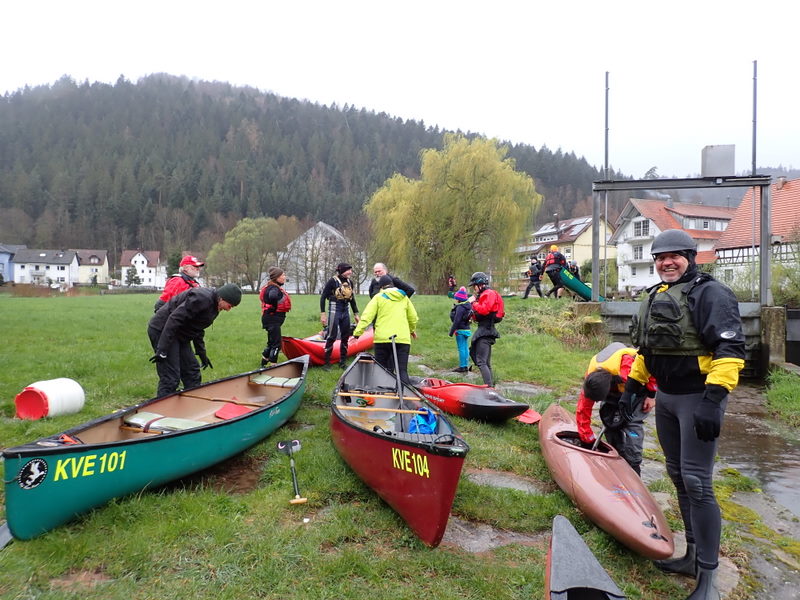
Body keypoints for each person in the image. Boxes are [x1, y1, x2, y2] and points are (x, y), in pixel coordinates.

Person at [623, 229, 745, 600]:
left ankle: (708, 577)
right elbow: (648, 349)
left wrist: (714, 399)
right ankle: (691, 556)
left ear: (691, 257)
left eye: (675, 255)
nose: (666, 262)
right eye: (660, 257)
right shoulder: (656, 295)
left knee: (697, 482)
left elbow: (730, 348)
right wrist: (635, 386)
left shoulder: (712, 293)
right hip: (669, 399)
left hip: (697, 398)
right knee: (677, 476)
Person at [575, 342, 657, 474]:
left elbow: (650, 367)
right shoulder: (592, 379)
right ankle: (617, 454)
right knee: (610, 421)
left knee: (632, 424)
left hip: (637, 387)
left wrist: (652, 395)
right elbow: (582, 410)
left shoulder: (627, 367)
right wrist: (587, 439)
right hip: (615, 386)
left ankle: (634, 464)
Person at [148, 283, 242, 398]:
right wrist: (162, 349)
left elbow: (197, 329)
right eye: (230, 306)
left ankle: (191, 403)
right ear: (223, 298)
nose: (228, 310)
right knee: (171, 377)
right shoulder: (201, 298)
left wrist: (202, 354)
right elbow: (174, 318)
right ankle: (162, 410)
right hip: (162, 329)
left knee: (192, 371)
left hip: (180, 334)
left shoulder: (214, 306)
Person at [353, 274, 418, 384]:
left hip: (382, 339)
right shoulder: (404, 298)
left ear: (381, 287)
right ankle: (405, 395)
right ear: (393, 285)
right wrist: (411, 330)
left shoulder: (378, 298)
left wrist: (357, 334)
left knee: (381, 370)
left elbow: (366, 317)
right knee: (402, 370)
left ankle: (382, 393)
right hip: (402, 339)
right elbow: (413, 318)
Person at [320, 263, 360, 369]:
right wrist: (323, 314)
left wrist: (356, 314)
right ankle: (326, 363)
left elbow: (352, 299)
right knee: (331, 336)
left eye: (351, 270)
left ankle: (342, 362)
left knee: (345, 337)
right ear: (342, 271)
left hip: (345, 310)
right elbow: (323, 297)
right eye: (348, 270)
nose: (350, 272)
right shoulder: (332, 281)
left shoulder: (349, 282)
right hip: (334, 309)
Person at [467, 271, 505, 387]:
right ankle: (490, 387)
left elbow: (484, 310)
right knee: (485, 362)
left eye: (474, 286)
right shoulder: (484, 295)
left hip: (485, 331)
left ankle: (489, 388)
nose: (474, 289)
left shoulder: (488, 293)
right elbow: (481, 313)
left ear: (480, 284)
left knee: (481, 362)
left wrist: (473, 302)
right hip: (485, 329)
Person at [259, 267, 291, 367]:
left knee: (271, 342)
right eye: (283, 275)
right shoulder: (273, 288)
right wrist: (274, 308)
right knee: (277, 344)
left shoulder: (270, 286)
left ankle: (263, 362)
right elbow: (273, 297)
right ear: (277, 277)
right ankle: (274, 366)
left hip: (269, 318)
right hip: (272, 319)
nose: (284, 277)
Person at [448, 286, 472, 372]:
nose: (455, 300)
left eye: (456, 298)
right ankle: (466, 365)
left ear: (459, 299)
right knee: (465, 347)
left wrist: (451, 331)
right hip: (467, 329)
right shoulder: (468, 306)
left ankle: (462, 366)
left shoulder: (460, 308)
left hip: (460, 330)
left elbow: (456, 320)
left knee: (461, 348)